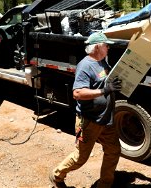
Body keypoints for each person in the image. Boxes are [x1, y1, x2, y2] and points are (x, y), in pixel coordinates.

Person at [49, 32, 122, 188]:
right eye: (106, 45)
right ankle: (57, 174)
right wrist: (104, 91)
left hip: (106, 119)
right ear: (97, 46)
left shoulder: (102, 62)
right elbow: (77, 93)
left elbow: (105, 81)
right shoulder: (85, 66)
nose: (108, 47)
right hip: (90, 121)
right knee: (80, 158)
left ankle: (105, 185)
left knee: (113, 150)